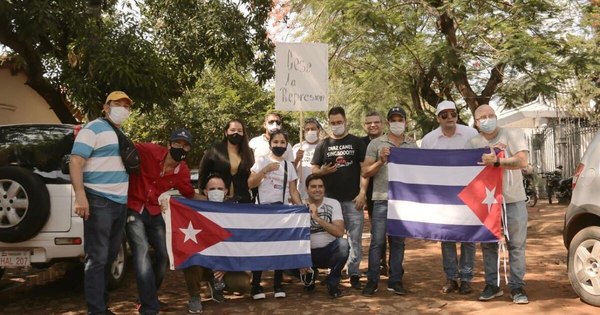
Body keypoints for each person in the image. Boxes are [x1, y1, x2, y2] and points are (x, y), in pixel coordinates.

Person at [126, 128, 204, 315]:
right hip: (133, 207)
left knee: (164, 254)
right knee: (142, 251)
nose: (181, 148)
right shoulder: (150, 150)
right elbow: (126, 146)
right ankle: (149, 306)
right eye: (178, 143)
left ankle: (147, 297)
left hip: (154, 211)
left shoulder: (182, 170)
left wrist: (216, 201)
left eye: (186, 145)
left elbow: (189, 194)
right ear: (169, 144)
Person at [70, 91, 134, 315]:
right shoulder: (93, 128)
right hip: (98, 200)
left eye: (126, 106)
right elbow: (76, 161)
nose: (123, 109)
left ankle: (102, 306)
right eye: (118, 104)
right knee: (97, 259)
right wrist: (80, 195)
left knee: (109, 258)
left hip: (119, 203)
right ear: (106, 107)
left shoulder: (119, 132)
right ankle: (95, 311)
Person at [466, 104, 530, 304]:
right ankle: (491, 285)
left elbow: (522, 162)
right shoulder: (473, 143)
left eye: (490, 115)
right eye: (482, 117)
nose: (487, 119)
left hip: (513, 199)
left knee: (516, 244)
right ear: (476, 123)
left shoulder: (513, 134)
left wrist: (497, 162)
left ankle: (517, 286)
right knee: (488, 244)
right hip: (487, 203)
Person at [421, 101, 479, 295]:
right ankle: (451, 278)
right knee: (447, 237)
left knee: (469, 237)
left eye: (452, 114)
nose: (449, 118)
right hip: (442, 196)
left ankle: (467, 279)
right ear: (438, 118)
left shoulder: (471, 134)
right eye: (444, 115)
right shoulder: (429, 140)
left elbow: (483, 156)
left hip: (469, 194)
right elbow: (423, 167)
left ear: (457, 115)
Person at [361, 106, 417, 296]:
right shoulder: (376, 144)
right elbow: (365, 172)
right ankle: (372, 280)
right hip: (381, 199)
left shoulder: (412, 145)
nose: (397, 123)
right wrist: (381, 161)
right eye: (393, 120)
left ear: (405, 122)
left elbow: (418, 173)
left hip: (402, 201)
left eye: (400, 119)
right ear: (387, 123)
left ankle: (395, 280)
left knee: (398, 242)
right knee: (377, 242)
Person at [311, 106, 367, 290]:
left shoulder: (357, 142)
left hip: (353, 199)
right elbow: (314, 172)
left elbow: (364, 171)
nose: (336, 126)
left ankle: (354, 273)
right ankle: (332, 272)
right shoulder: (323, 144)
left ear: (345, 121)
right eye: (333, 123)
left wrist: (362, 193)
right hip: (329, 200)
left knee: (355, 238)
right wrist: (322, 171)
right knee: (332, 237)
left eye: (339, 122)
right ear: (329, 123)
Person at [183, 173, 250, 313]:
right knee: (189, 257)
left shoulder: (234, 211)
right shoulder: (195, 209)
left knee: (242, 284)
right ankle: (195, 297)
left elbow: (239, 242)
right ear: (205, 191)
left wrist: (225, 265)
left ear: (226, 191)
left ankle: (215, 284)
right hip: (202, 262)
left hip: (224, 263)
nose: (216, 192)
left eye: (220, 189)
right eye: (212, 189)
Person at [248, 130, 302, 299]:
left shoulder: (288, 166)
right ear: (270, 143)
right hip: (263, 210)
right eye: (276, 142)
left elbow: (293, 191)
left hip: (281, 211)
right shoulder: (261, 161)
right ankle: (256, 285)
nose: (279, 145)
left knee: (280, 247)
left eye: (282, 142)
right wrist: (264, 170)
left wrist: (301, 208)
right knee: (260, 249)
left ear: (287, 145)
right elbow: (250, 183)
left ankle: (277, 284)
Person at [302, 173, 349, 298]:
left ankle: (332, 282)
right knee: (286, 257)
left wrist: (317, 218)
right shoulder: (299, 205)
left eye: (320, 186)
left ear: (324, 188)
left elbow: (339, 232)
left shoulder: (333, 204)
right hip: (307, 254)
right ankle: (310, 275)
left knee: (343, 244)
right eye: (313, 186)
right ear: (306, 189)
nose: (317, 189)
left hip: (328, 252)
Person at [198, 119, 254, 203]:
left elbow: (253, 175)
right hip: (218, 199)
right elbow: (202, 174)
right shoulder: (215, 150)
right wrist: (203, 196)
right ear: (226, 132)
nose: (236, 133)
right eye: (233, 130)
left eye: (240, 131)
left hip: (243, 200)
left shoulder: (249, 152)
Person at [360, 111, 388, 276]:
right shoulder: (359, 143)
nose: (373, 125)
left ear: (382, 124)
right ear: (364, 125)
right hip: (369, 192)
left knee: (393, 232)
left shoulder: (389, 141)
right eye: (369, 123)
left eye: (376, 122)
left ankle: (390, 264)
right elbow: (361, 170)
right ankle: (377, 263)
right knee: (377, 231)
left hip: (389, 192)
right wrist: (361, 193)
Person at [292, 118, 322, 200]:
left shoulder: (324, 146)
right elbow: (290, 170)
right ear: (304, 131)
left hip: (321, 192)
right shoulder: (297, 147)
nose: (310, 131)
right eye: (307, 129)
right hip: (302, 192)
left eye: (313, 129)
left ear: (318, 130)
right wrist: (297, 159)